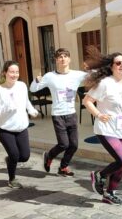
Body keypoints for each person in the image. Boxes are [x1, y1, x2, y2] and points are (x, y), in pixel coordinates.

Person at [82, 51, 122, 205]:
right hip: (106, 128)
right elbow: (87, 101)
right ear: (111, 67)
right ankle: (99, 175)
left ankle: (109, 193)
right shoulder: (105, 83)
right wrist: (98, 114)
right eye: (118, 63)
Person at [30, 48, 86, 176]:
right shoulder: (50, 76)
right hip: (58, 115)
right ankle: (49, 156)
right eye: (60, 57)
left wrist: (94, 67)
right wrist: (37, 80)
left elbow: (95, 75)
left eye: (65, 56)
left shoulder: (77, 74)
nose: (63, 59)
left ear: (69, 59)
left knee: (74, 145)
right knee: (63, 144)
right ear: (56, 60)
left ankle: (63, 167)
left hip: (71, 113)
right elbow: (33, 89)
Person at [0, 61, 38, 189]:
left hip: (21, 127)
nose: (14, 74)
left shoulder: (22, 86)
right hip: (5, 129)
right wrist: (7, 108)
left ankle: (10, 160)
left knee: (24, 156)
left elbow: (26, 100)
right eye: (11, 72)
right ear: (5, 73)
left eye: (16, 72)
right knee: (14, 155)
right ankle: (12, 178)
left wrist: (31, 109)